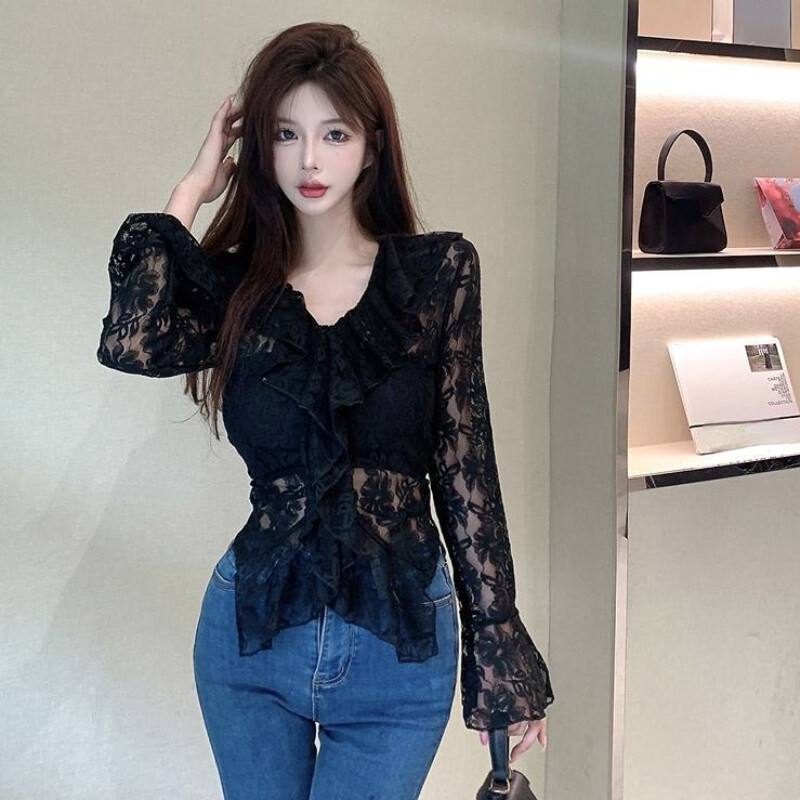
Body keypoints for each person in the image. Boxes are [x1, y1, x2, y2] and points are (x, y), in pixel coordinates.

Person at [96, 21, 553, 800]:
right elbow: (132, 341)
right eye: (285, 134)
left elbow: (464, 465)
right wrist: (192, 191)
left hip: (397, 651)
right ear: (259, 148)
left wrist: (499, 642)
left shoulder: (436, 276)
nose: (309, 160)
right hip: (249, 641)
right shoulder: (237, 289)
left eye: (334, 134)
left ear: (371, 146)